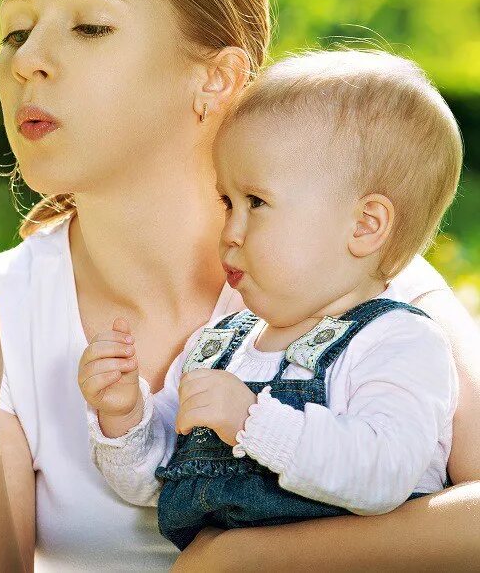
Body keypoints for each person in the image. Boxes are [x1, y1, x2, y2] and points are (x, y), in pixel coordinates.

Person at [0, 0, 480, 571]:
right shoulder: (2, 310)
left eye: (90, 25)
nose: (26, 59)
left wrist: (239, 562)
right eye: (15, 29)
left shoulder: (357, 282)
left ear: (215, 78)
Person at [80, 50, 460, 551]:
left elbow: (383, 473)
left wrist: (252, 421)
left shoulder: (399, 341)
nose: (230, 231)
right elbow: (157, 483)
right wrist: (125, 417)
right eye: (226, 202)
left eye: (256, 203)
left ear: (365, 225)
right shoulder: (219, 347)